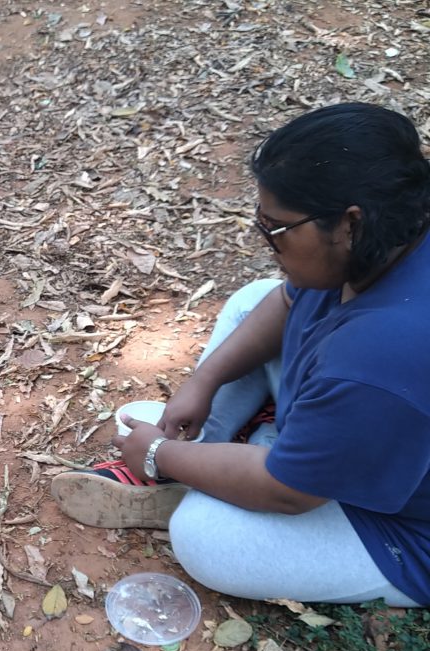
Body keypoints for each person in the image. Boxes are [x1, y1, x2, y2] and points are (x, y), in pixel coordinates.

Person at [51, 102, 430, 608]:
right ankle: (225, 449)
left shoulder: (380, 355)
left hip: (400, 527)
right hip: (352, 427)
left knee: (205, 537)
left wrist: (161, 454)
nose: (265, 243)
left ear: (350, 225)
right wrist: (202, 382)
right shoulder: (390, 239)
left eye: (275, 229)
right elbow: (285, 299)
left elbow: (287, 492)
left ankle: (213, 463)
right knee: (253, 297)